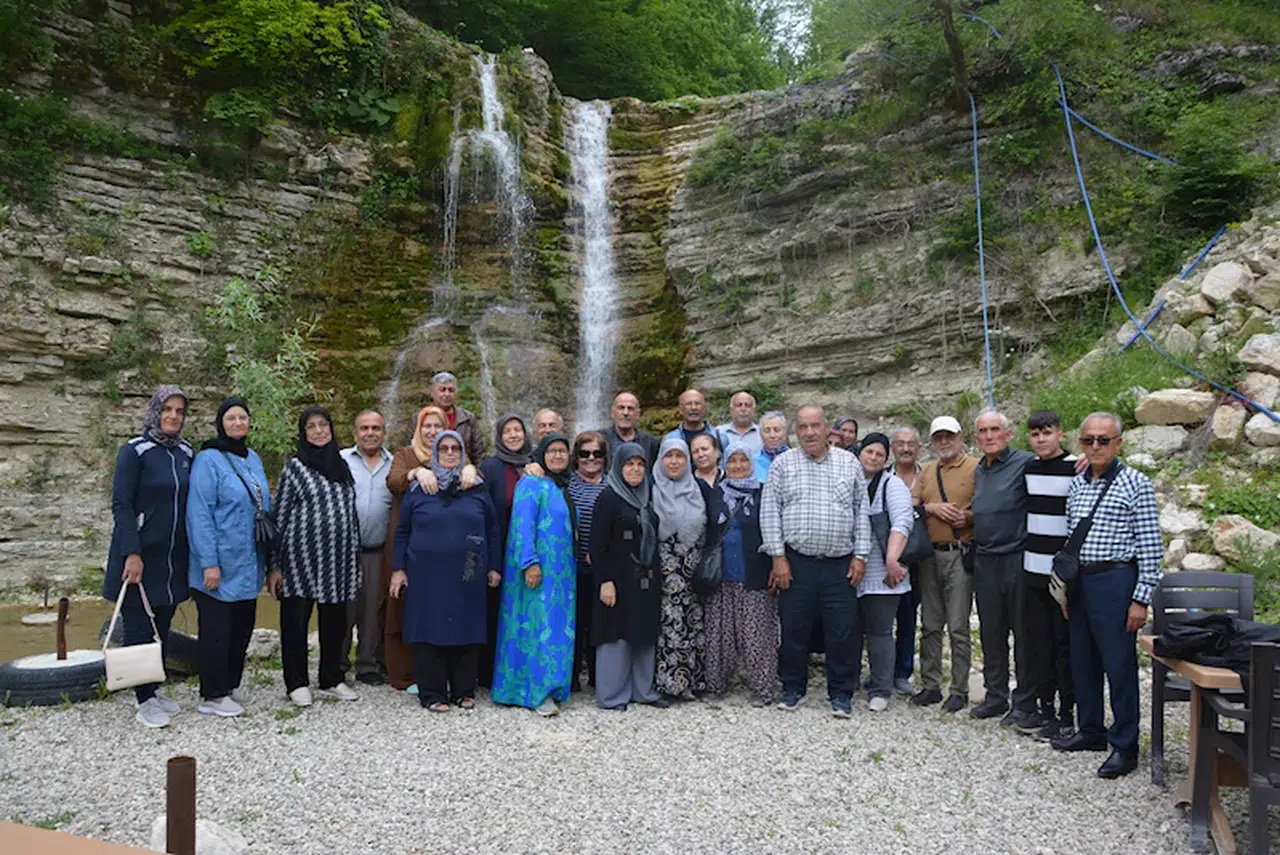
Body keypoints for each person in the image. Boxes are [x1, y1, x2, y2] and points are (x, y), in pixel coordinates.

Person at [1051, 412, 1163, 779]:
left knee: (1119, 665)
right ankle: (1091, 730)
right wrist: (1065, 591)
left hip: (1116, 581)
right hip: (1081, 581)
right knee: (1082, 661)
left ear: (1118, 443)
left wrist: (1140, 599)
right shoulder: (1077, 484)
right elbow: (1071, 538)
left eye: (1103, 439)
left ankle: (1125, 745)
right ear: (1080, 443)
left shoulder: (1136, 483)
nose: (1096, 446)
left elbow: (1151, 547)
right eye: (1088, 440)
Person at [761, 405, 871, 718]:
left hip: (839, 563)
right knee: (794, 628)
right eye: (803, 427)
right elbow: (770, 512)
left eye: (815, 426)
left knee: (842, 630)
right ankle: (793, 688)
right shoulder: (783, 464)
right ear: (796, 431)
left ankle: (841, 693)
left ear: (826, 429)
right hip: (797, 562)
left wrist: (860, 555)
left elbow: (861, 511)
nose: (809, 432)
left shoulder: (849, 463)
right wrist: (778, 557)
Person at [390, 431, 501, 712]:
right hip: (425, 571)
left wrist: (494, 566)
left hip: (469, 567)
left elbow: (492, 529)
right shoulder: (419, 489)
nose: (450, 453)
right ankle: (432, 692)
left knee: (467, 623)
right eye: (444, 449)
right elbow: (402, 530)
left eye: (455, 449)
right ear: (435, 454)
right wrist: (398, 569)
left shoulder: (477, 488)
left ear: (463, 453)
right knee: (429, 625)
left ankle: (463, 689)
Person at [105, 385, 192, 728]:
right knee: (139, 626)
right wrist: (132, 552)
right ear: (155, 411)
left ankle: (154, 689)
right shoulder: (135, 451)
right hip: (140, 556)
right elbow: (121, 504)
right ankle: (143, 700)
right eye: (167, 409)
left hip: (172, 558)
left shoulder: (186, 452)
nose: (173, 416)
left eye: (179, 411)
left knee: (162, 626)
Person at [381, 406, 479, 690]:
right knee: (404, 608)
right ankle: (405, 674)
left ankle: (446, 676)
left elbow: (475, 482)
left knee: (445, 609)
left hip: (453, 555)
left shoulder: (455, 453)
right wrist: (415, 473)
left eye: (438, 426)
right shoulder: (405, 454)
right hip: (411, 542)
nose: (433, 431)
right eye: (427, 426)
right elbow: (393, 481)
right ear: (418, 429)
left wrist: (471, 468)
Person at [271, 407, 362, 707]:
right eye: (312, 426)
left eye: (324, 425)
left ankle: (331, 678)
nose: (319, 431)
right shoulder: (295, 468)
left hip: (337, 561)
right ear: (303, 433)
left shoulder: (341, 466)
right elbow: (280, 518)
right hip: (300, 563)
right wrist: (275, 565)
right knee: (295, 623)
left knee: (334, 624)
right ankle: (296, 683)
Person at [186, 398, 270, 719]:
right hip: (219, 562)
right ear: (220, 423)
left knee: (242, 627)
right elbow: (200, 512)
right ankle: (212, 693)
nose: (237, 423)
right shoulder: (208, 459)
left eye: (242, 417)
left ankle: (229, 685)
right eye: (231, 418)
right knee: (217, 632)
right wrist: (208, 562)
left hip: (249, 561)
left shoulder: (253, 458)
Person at [492, 434, 577, 716]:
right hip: (536, 571)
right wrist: (529, 562)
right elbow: (522, 525)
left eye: (562, 451)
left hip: (561, 574)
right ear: (541, 454)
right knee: (534, 630)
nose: (557, 456)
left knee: (554, 629)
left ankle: (553, 686)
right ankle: (532, 692)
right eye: (552, 451)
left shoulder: (559, 484)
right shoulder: (531, 483)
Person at [968, 410, 1038, 726]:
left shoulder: (1025, 463)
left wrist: (1077, 461)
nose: (989, 436)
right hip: (985, 560)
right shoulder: (979, 469)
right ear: (976, 438)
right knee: (991, 632)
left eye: (995, 429)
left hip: (1016, 558)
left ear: (1008, 434)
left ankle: (1024, 702)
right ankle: (995, 696)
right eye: (983, 431)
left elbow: (1054, 464)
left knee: (1023, 633)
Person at [909, 416, 977, 713]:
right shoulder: (926, 471)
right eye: (939, 437)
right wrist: (931, 508)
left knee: (959, 626)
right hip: (929, 555)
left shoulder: (975, 467)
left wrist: (970, 517)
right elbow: (912, 505)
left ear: (960, 438)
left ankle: (959, 689)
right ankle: (931, 684)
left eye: (949, 436)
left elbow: (989, 506)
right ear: (932, 442)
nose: (944, 442)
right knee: (930, 624)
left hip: (959, 553)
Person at [590, 443, 664, 711]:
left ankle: (643, 691)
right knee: (616, 634)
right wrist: (605, 581)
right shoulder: (608, 498)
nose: (635, 469)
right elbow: (597, 545)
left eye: (640, 464)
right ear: (619, 467)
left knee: (643, 632)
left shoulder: (648, 496)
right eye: (629, 464)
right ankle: (612, 695)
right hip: (617, 579)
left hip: (645, 578)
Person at [702, 442, 777, 707]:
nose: (737, 465)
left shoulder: (764, 494)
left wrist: (776, 565)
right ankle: (716, 686)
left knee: (756, 634)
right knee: (719, 635)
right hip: (721, 577)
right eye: (732, 460)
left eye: (743, 460)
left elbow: (774, 530)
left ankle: (762, 689)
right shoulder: (715, 494)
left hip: (755, 575)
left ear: (751, 463)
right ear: (724, 464)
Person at [1022, 410, 1076, 742]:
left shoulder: (1077, 468)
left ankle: (1067, 714)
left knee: (1064, 646)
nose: (1041, 439)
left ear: (1060, 434)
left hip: (1062, 576)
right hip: (1032, 571)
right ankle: (1045, 710)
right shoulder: (1028, 468)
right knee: (1038, 645)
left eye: (1047, 432)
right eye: (1035, 434)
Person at [852, 433, 912, 712]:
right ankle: (851, 681)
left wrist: (891, 558)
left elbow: (902, 522)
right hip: (852, 569)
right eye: (869, 452)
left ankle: (880, 690)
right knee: (850, 630)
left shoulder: (892, 484)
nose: (873, 458)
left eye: (880, 454)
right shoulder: (850, 480)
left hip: (882, 572)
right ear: (860, 453)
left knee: (879, 632)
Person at [478, 413, 534, 687]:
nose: (513, 435)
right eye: (507, 431)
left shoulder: (535, 465)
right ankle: (490, 673)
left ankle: (521, 669)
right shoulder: (490, 467)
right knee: (495, 611)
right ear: (499, 436)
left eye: (518, 430)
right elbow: (485, 515)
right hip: (501, 549)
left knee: (525, 611)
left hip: (530, 552)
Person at [651, 437, 707, 700]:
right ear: (660, 459)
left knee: (692, 623)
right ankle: (668, 684)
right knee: (667, 626)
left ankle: (692, 682)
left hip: (693, 572)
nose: (674, 462)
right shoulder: (650, 490)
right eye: (669, 456)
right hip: (662, 573)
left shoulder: (697, 489)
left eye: (680, 456)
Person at [341, 409, 393, 686]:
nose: (370, 433)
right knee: (342, 609)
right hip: (344, 552)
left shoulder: (394, 464)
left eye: (376, 428)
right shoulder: (340, 461)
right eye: (364, 428)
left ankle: (367, 665)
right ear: (355, 433)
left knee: (373, 610)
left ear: (384, 433)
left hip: (377, 550)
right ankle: (337, 664)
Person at [569, 431, 609, 692]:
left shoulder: (612, 486)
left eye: (597, 453)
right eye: (584, 453)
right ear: (576, 457)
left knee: (598, 624)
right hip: (571, 567)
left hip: (602, 568)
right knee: (574, 623)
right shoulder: (567, 485)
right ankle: (571, 678)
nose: (591, 458)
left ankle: (598, 677)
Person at [890, 426, 922, 696]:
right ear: (893, 448)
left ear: (919, 448)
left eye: (911, 443)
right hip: (886, 556)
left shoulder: (929, 476)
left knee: (909, 616)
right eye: (900, 443)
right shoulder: (882, 477)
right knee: (879, 618)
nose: (905, 448)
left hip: (919, 556)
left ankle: (903, 672)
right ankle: (880, 669)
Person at [429, 371, 485, 463]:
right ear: (432, 392)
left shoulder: (468, 419)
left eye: (451, 390)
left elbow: (478, 454)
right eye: (442, 390)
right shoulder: (419, 418)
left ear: (456, 393)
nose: (447, 394)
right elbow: (411, 452)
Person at [600, 391, 660, 466]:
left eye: (630, 408)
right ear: (613, 413)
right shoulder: (599, 439)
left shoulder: (651, 443)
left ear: (638, 414)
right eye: (621, 408)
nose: (625, 413)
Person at [715, 391, 762, 458]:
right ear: (731, 410)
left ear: (753, 410)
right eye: (739, 405)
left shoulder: (763, 433)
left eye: (747, 405)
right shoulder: (719, 433)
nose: (743, 409)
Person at [754, 411, 790, 482]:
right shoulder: (753, 462)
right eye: (767, 431)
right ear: (760, 434)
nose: (772, 435)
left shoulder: (795, 459)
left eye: (777, 430)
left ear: (785, 433)